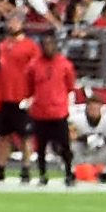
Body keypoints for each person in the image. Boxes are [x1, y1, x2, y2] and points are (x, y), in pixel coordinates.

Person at [26, 38, 77, 186]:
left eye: (51, 43)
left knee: (65, 145)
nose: (48, 47)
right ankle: (43, 174)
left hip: (58, 112)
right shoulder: (33, 65)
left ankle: (68, 173)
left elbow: (69, 86)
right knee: (40, 146)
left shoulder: (65, 64)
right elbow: (30, 86)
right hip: (40, 112)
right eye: (46, 44)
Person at [0, 19, 38, 182]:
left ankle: (26, 167)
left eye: (15, 22)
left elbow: (35, 72)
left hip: (21, 97)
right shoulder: (1, 46)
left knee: (25, 135)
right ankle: (0, 167)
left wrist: (32, 96)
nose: (11, 25)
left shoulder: (30, 46)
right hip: (3, 97)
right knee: (3, 136)